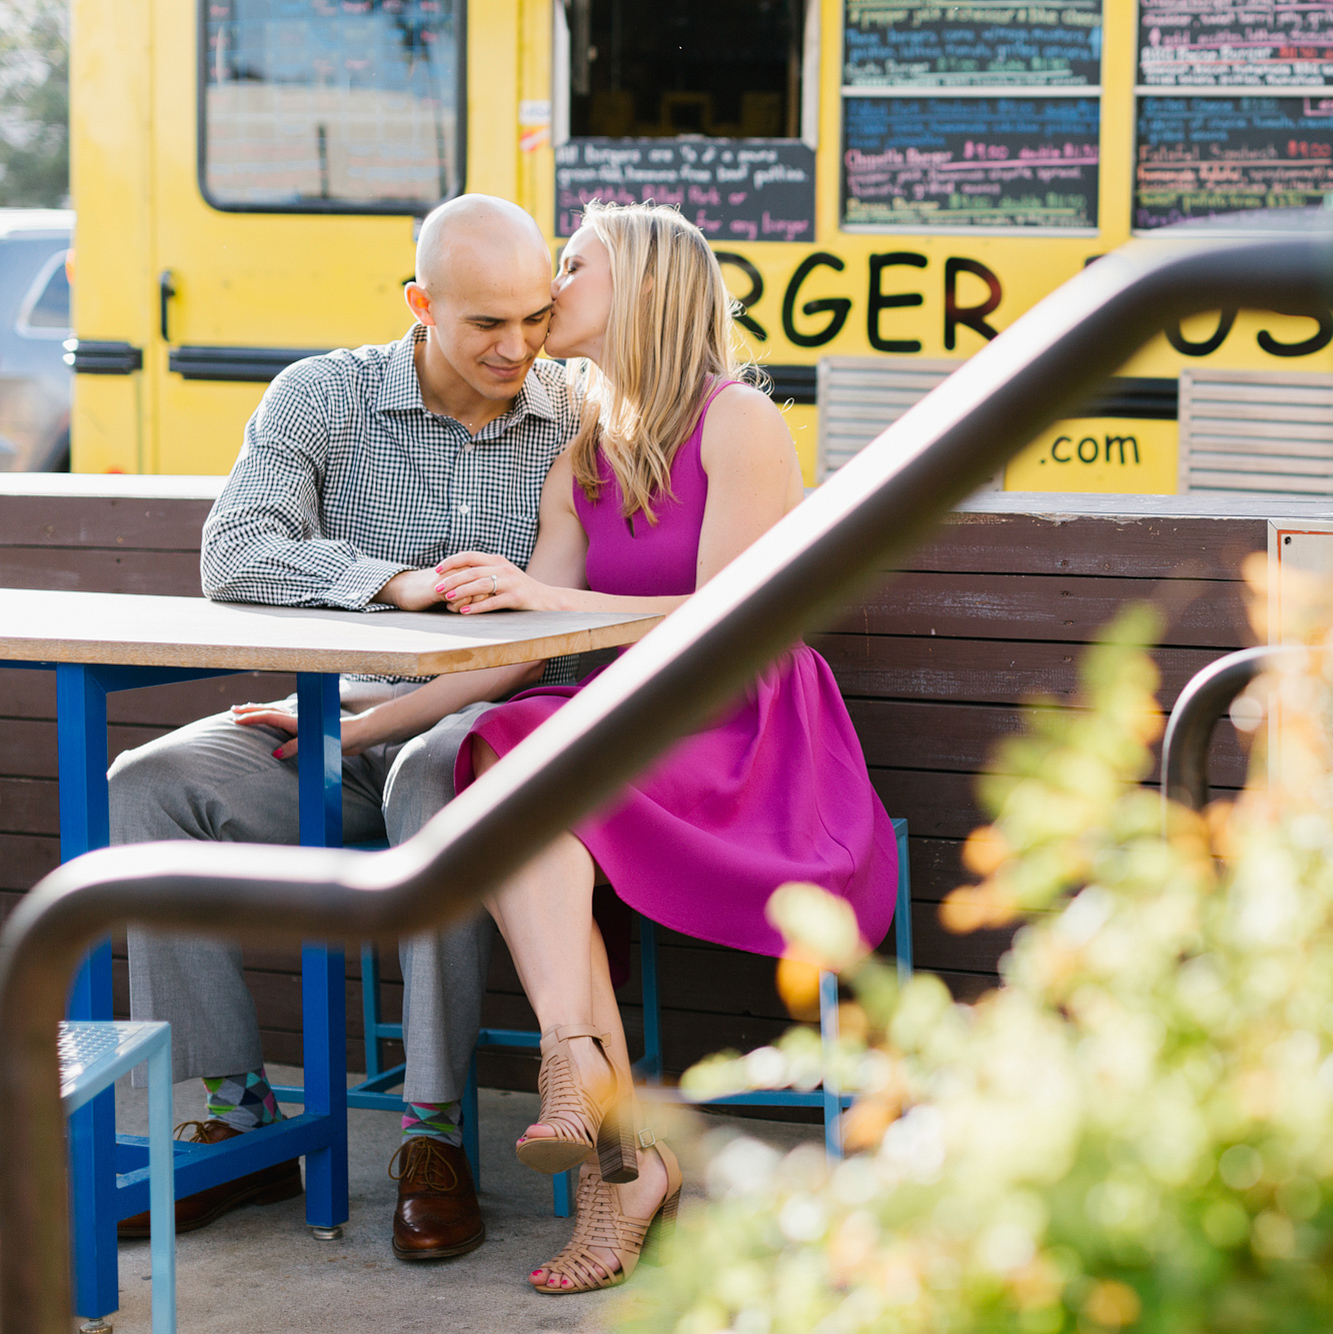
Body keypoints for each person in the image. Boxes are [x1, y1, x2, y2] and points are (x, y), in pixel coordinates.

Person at [438, 200, 897, 1294]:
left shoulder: (738, 421)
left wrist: (544, 594)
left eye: (573, 266)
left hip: (746, 740)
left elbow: (720, 624)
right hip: (624, 739)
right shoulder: (582, 455)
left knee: (528, 755)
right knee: (506, 739)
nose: (551, 287)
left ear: (640, 284)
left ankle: (603, 1126)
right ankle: (602, 1121)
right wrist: (353, 722)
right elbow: (512, 648)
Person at [110, 194, 574, 1261]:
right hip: (332, 718)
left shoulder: (578, 414)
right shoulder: (324, 395)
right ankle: (238, 1114)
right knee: (145, 781)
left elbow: (569, 622)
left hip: (483, 736)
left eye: (535, 317)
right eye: (485, 324)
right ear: (420, 304)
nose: (518, 348)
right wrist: (393, 584)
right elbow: (233, 551)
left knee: (431, 779)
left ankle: (431, 1132)